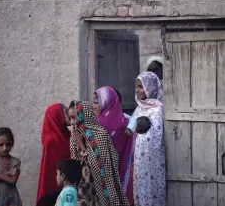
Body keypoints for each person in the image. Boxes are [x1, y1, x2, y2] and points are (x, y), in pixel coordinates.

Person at [68, 100, 130, 206]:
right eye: (69, 118)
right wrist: (78, 141)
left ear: (83, 115)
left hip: (103, 187)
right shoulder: (74, 137)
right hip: (85, 190)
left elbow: (103, 164)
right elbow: (76, 166)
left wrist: (82, 146)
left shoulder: (100, 134)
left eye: (74, 117)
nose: (71, 122)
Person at [93, 86, 135, 204]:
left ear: (106, 103)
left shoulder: (101, 125)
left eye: (97, 102)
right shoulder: (123, 122)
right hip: (112, 176)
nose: (93, 106)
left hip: (104, 174)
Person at [132, 71, 166, 206]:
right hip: (138, 160)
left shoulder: (157, 109)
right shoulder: (139, 108)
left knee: (153, 188)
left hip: (152, 160)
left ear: (150, 87)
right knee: (139, 188)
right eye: (137, 86)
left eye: (141, 86)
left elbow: (156, 135)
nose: (137, 89)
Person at [36, 103, 71, 206]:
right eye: (64, 112)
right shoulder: (51, 140)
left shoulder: (66, 135)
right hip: (55, 184)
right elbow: (49, 169)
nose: (68, 114)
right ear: (57, 116)